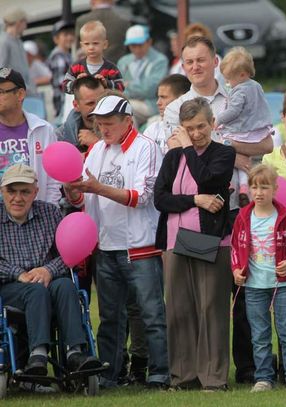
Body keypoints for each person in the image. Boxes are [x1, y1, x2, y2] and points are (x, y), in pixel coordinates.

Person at [163, 35, 273, 385]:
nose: (195, 66)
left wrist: (221, 146)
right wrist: (228, 151)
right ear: (183, 66)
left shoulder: (237, 91)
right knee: (192, 301)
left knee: (241, 295)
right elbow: (182, 155)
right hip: (196, 217)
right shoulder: (174, 107)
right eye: (189, 61)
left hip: (239, 207)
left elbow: (267, 144)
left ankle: (250, 369)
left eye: (201, 59)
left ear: (215, 60)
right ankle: (193, 371)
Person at [63, 95, 169, 389]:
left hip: (140, 245)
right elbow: (84, 197)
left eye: (109, 123)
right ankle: (111, 374)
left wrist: (97, 187)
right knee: (110, 317)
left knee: (151, 313)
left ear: (127, 121)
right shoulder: (97, 150)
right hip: (106, 246)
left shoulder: (146, 147)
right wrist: (73, 192)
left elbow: (140, 197)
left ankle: (160, 372)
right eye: (99, 123)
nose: (103, 128)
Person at [154, 98, 235, 391]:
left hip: (210, 239)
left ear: (212, 123)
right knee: (179, 310)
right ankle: (183, 376)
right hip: (176, 240)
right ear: (181, 128)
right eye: (189, 128)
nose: (197, 132)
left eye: (201, 126)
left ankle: (213, 378)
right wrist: (194, 201)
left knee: (211, 308)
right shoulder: (172, 157)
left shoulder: (223, 153)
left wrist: (187, 147)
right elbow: (160, 199)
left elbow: (208, 180)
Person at [0, 163, 102, 376]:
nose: (17, 198)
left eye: (25, 192)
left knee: (65, 284)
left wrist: (48, 270)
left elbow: (68, 254)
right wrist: (18, 274)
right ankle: (38, 353)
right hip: (10, 288)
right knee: (35, 290)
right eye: (11, 191)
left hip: (49, 282)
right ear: (2, 191)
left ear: (35, 192)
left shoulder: (50, 213)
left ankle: (75, 352)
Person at [230, 164, 286, 392]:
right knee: (259, 335)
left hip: (282, 286)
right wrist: (236, 270)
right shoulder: (243, 217)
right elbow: (234, 248)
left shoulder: (285, 217)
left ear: (274, 189)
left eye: (264, 187)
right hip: (253, 287)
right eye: (254, 187)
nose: (259, 192)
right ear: (249, 190)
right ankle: (263, 378)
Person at [216, 46, 273, 206]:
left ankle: (232, 185)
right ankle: (243, 189)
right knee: (244, 160)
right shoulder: (256, 86)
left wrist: (218, 119)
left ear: (242, 74)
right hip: (257, 130)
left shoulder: (240, 90)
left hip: (241, 130)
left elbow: (233, 111)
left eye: (229, 79)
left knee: (225, 147)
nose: (228, 83)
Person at [0, 68, 60, 204]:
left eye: (1, 92)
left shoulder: (44, 130)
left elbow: (53, 181)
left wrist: (48, 214)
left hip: (36, 217)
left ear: (20, 94)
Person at [118, 25, 169, 127]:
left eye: (140, 45)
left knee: (125, 107)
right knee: (124, 111)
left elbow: (151, 89)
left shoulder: (160, 60)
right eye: (133, 45)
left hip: (152, 105)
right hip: (131, 103)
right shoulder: (123, 61)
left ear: (149, 42)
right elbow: (118, 87)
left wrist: (128, 85)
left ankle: (133, 142)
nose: (137, 49)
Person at [63, 20, 124, 95]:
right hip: (82, 106)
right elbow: (64, 86)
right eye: (87, 44)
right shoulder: (76, 67)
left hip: (104, 106)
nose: (91, 47)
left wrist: (106, 84)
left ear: (105, 44)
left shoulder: (111, 68)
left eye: (95, 43)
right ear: (82, 46)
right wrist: (77, 83)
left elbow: (121, 87)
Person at [143, 74, 191, 155]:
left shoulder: (196, 131)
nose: (158, 103)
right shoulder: (153, 129)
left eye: (164, 97)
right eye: (158, 97)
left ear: (182, 99)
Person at [55, 76, 105, 153]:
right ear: (76, 105)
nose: (97, 107)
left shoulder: (119, 128)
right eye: (90, 103)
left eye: (101, 101)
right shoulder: (59, 137)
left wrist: (97, 143)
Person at [75, 0, 131, 64]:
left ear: (92, 1)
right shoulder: (124, 22)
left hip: (90, 69)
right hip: (117, 68)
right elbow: (129, 49)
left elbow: (78, 51)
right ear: (112, 1)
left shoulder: (81, 20)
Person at [0, 8, 35, 95]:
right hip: (13, 94)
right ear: (19, 22)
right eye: (25, 22)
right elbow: (1, 69)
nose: (26, 26)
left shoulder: (18, 41)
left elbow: (25, 70)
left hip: (23, 92)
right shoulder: (3, 41)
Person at [47, 20, 75, 118]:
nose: (70, 37)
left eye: (71, 34)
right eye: (65, 35)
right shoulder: (58, 56)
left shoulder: (68, 54)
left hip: (68, 101)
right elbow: (62, 84)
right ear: (56, 39)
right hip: (63, 102)